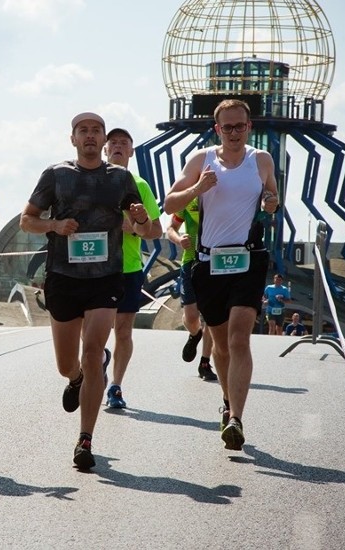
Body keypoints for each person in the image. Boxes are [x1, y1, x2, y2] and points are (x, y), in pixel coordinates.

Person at [20, 111, 147, 469]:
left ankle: (85, 439)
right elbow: (26, 220)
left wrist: (138, 218)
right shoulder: (56, 175)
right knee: (67, 364)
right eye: (83, 131)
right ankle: (75, 379)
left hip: (106, 278)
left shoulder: (120, 178)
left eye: (96, 131)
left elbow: (148, 229)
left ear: (104, 140)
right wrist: (55, 224)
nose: (90, 136)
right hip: (63, 277)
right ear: (73, 138)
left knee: (93, 353)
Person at [163, 98, 279, 452]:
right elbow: (169, 204)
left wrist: (271, 202)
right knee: (222, 346)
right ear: (217, 129)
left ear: (249, 127)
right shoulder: (201, 159)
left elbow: (271, 195)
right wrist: (198, 188)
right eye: (226, 127)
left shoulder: (261, 160)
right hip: (209, 263)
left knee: (240, 338)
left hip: (248, 259)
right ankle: (228, 402)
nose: (233, 133)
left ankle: (236, 419)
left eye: (239, 126)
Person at [101, 127, 163, 409]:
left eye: (123, 143)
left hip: (127, 267)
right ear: (105, 148)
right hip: (93, 269)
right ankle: (98, 356)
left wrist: (134, 228)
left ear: (131, 151)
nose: (117, 146)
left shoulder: (140, 185)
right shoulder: (92, 180)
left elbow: (156, 230)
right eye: (112, 142)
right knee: (91, 330)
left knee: (123, 330)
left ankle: (115, 385)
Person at [166, 203, 217, 381]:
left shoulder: (221, 192)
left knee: (211, 315)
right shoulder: (188, 196)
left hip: (215, 261)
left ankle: (205, 362)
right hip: (191, 261)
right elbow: (171, 228)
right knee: (191, 316)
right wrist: (179, 239)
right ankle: (195, 334)